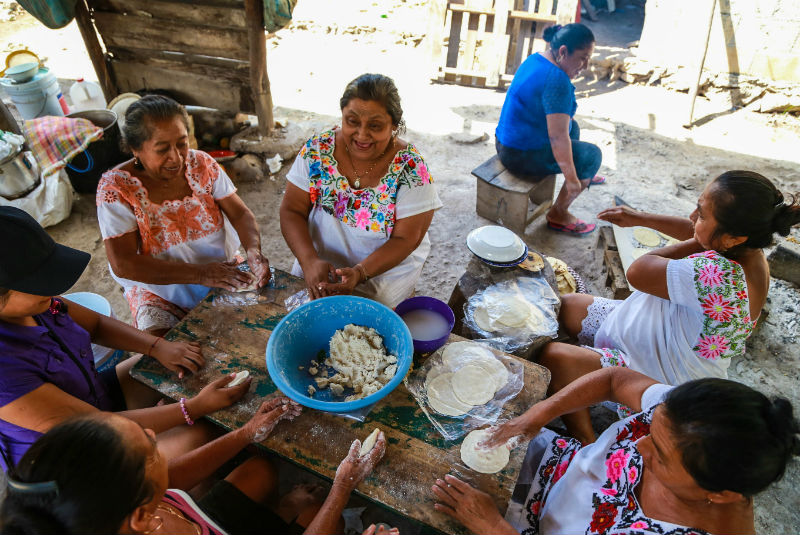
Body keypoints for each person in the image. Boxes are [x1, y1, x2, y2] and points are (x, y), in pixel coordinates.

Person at [539, 170, 800, 443]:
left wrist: (701, 242)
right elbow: (699, 233)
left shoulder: (718, 275)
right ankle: (589, 370)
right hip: (658, 335)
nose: (691, 217)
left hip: (661, 371)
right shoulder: (749, 253)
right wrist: (640, 218)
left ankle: (584, 440)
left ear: (733, 239)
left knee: (555, 358)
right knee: (568, 305)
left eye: (700, 214)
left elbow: (638, 272)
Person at [0, 206, 249, 471]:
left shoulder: (39, 304)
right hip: (75, 458)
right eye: (40, 281)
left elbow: (95, 325)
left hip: (93, 398)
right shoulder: (5, 373)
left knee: (173, 364)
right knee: (202, 433)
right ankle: (167, 495)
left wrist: (157, 347)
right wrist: (192, 409)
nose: (54, 288)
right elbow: (98, 426)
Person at [431, 367, 799, 535]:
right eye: (650, 429)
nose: (639, 446)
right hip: (558, 466)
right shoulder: (688, 419)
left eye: (661, 457)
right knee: (449, 434)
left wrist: (492, 527)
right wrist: (535, 416)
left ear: (720, 495)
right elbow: (614, 380)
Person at [0, 399, 391, 535]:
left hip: (203, 522)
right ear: (141, 516)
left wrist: (247, 432)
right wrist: (343, 487)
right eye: (149, 449)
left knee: (259, 470)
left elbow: (168, 481)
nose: (155, 433)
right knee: (329, 520)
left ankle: (283, 510)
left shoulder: (111, 510)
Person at [97, 95, 271, 335]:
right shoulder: (116, 189)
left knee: (260, 331)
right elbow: (124, 264)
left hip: (224, 271)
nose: (177, 157)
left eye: (182, 143)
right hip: (161, 292)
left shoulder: (202, 164)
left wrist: (254, 249)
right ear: (135, 149)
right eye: (162, 149)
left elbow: (240, 213)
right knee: (167, 357)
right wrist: (200, 273)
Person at [280, 73, 442, 307]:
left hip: (384, 266)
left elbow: (407, 238)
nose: (362, 135)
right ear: (343, 116)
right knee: (302, 298)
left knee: (368, 311)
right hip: (320, 255)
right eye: (352, 121)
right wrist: (308, 260)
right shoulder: (317, 151)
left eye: (375, 126)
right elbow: (291, 210)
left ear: (394, 126)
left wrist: (360, 272)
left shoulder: (411, 169)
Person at [494, 23, 602, 236]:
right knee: (592, 156)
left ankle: (582, 174)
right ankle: (559, 214)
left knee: (574, 127)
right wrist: (572, 180)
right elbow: (557, 137)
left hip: (505, 142)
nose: (586, 65)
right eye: (582, 57)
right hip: (518, 156)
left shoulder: (537, 59)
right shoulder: (556, 79)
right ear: (563, 52)